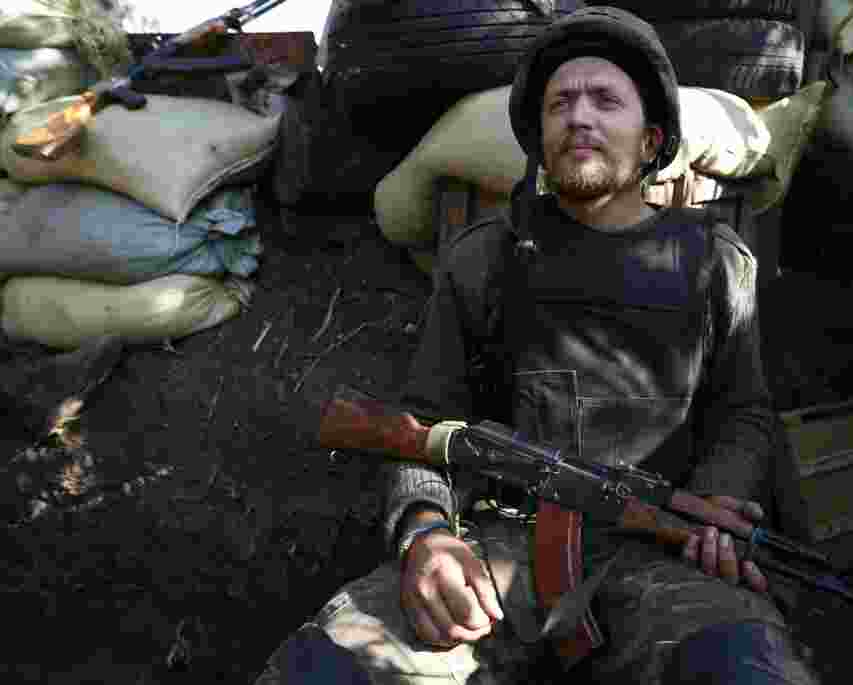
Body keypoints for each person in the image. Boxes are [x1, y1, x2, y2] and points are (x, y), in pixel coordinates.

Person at [254, 6, 821, 684]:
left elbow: (745, 413)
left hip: (663, 557)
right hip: (496, 551)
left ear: (652, 140)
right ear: (541, 137)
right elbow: (424, 420)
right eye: (561, 103)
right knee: (319, 669)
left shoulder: (716, 264)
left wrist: (714, 505)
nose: (580, 116)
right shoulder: (484, 259)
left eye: (606, 100)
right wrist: (425, 534)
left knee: (745, 670)